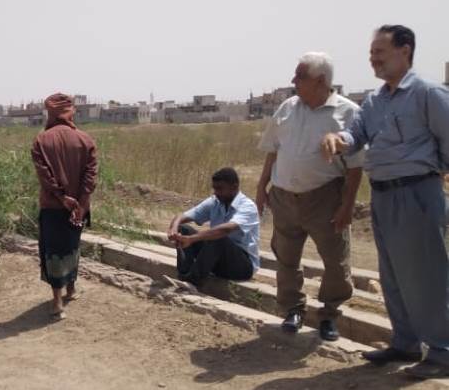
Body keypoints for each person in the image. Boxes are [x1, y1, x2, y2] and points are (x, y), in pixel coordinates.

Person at [321, 25, 449, 379]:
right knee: (392, 274)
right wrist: (338, 138)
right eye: (371, 54)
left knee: (426, 275)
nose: (373, 59)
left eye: (379, 52)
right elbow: (356, 133)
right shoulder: (375, 100)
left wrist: (434, 174)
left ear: (404, 50)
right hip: (383, 194)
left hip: (416, 192)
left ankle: (442, 351)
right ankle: (405, 343)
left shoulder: (428, 93)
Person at [256, 52, 362, 341]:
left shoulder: (348, 113)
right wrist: (262, 187)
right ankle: (293, 309)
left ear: (320, 81)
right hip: (284, 197)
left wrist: (347, 206)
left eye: (300, 76)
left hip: (324, 198)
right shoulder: (288, 107)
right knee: (286, 257)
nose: (294, 80)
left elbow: (355, 168)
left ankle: (329, 314)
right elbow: (273, 149)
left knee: (335, 261)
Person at [31, 93, 98, 321]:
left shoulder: (41, 141)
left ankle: (57, 302)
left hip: (52, 207)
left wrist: (61, 197)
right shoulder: (85, 140)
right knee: (72, 246)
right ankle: (71, 289)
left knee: (53, 251)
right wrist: (81, 203)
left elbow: (45, 177)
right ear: (70, 112)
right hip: (79, 208)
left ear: (50, 113)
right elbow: (90, 177)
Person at [167, 168, 260, 288]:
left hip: (242, 268)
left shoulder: (247, 206)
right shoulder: (215, 202)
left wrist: (191, 239)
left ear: (234, 187)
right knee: (183, 229)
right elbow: (182, 216)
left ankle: (193, 282)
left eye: (220, 188)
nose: (216, 192)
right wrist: (174, 230)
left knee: (218, 237)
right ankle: (183, 275)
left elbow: (225, 230)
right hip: (218, 262)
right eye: (214, 188)